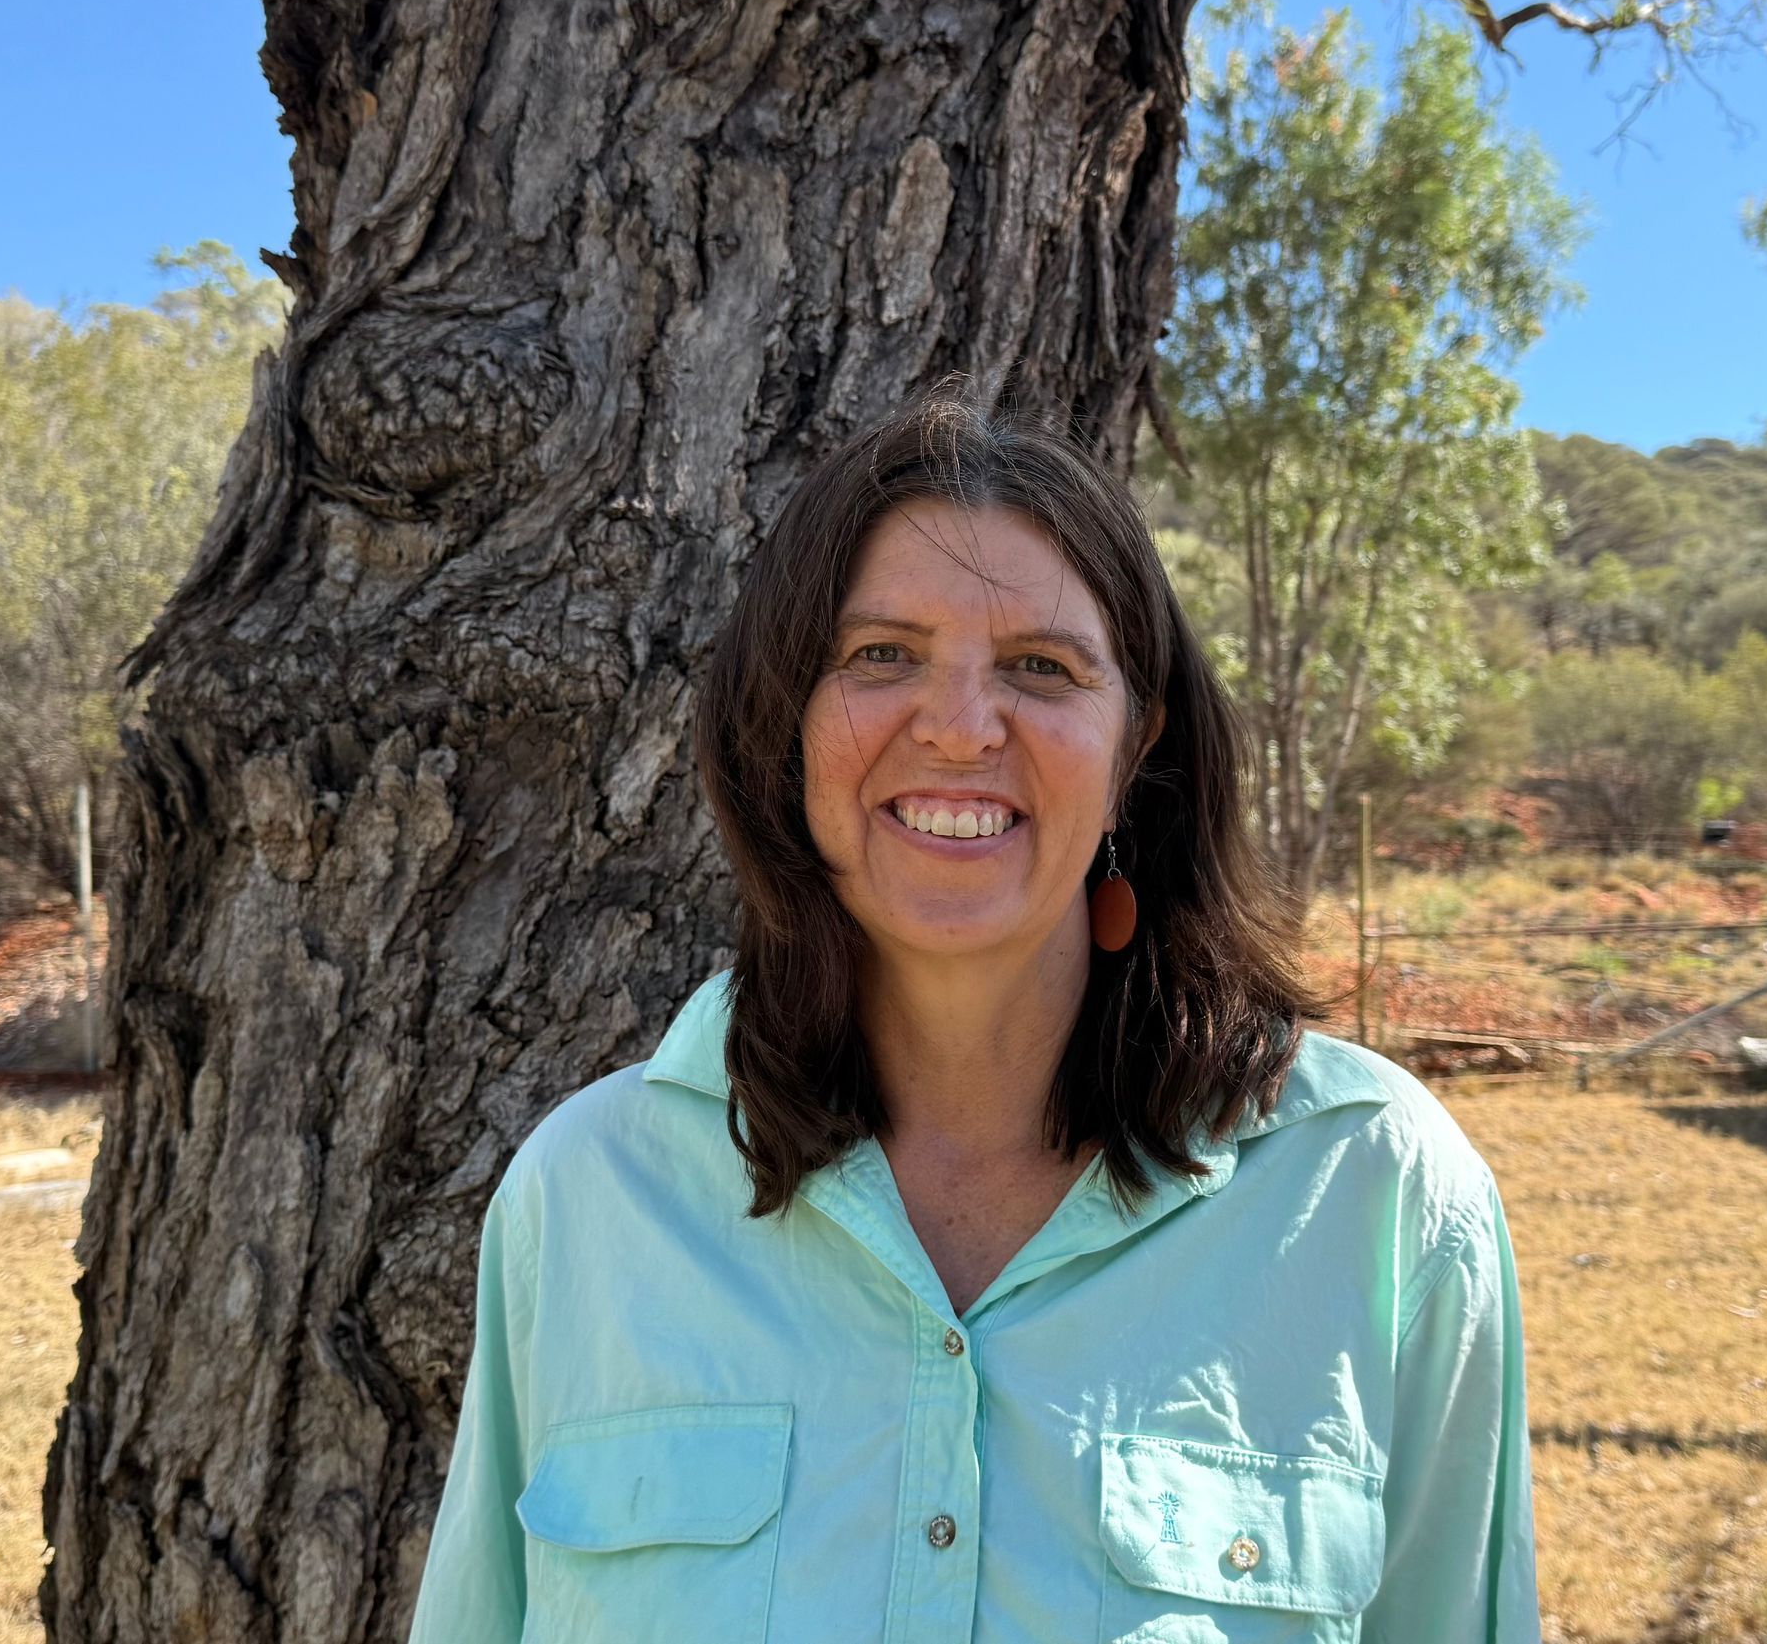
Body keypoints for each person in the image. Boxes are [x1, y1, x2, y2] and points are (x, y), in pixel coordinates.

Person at [407, 390, 1541, 1643]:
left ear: (1138, 749)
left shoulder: (1376, 1194)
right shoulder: (587, 1194)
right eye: (880, 655)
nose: (958, 728)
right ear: (786, 723)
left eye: (1041, 668)